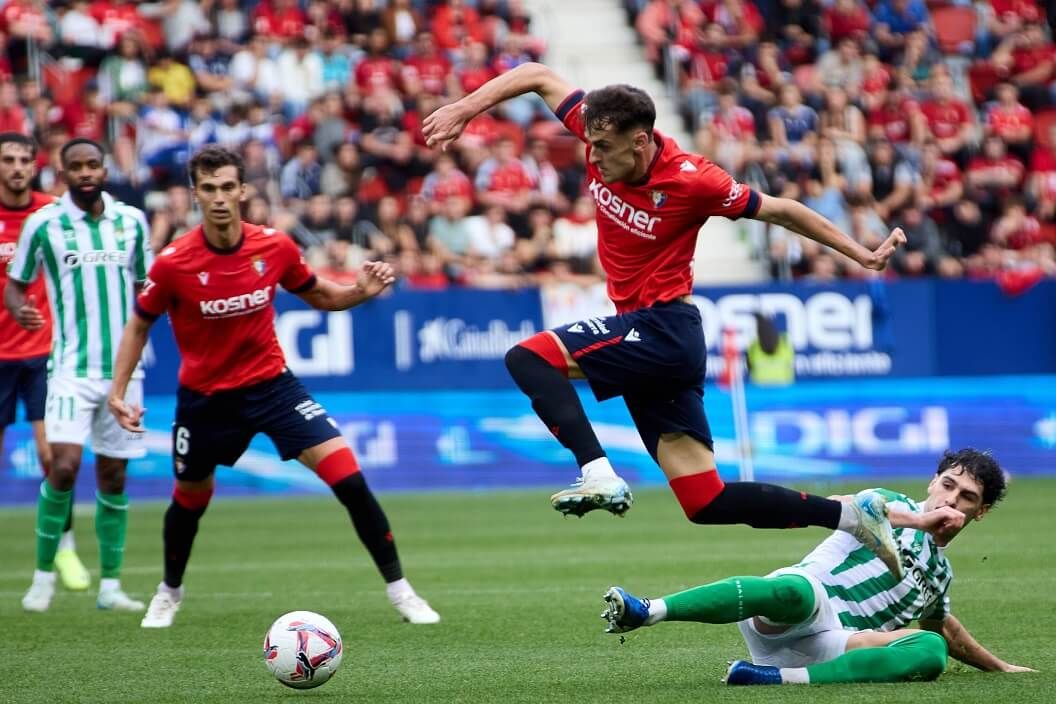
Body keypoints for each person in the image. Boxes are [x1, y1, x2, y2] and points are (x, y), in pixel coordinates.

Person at [422, 63, 911, 578]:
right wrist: (463, 109)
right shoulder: (599, 130)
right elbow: (539, 75)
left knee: (528, 357)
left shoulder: (693, 180)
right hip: (653, 339)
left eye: (604, 148)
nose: (593, 157)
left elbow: (781, 210)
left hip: (665, 329)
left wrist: (863, 255)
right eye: (590, 142)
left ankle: (597, 471)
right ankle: (851, 515)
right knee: (707, 501)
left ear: (639, 142)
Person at [106, 146, 439, 629]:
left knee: (350, 479)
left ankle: (401, 591)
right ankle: (169, 591)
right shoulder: (174, 263)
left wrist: (359, 292)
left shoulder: (275, 247)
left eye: (227, 187)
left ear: (242, 190)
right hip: (205, 401)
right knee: (190, 499)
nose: (219, 198)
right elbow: (138, 325)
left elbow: (320, 293)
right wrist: (119, 392)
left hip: (273, 388)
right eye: (209, 189)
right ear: (195, 193)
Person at [601, 449, 1037, 686]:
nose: (951, 500)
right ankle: (647, 610)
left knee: (929, 651)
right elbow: (847, 507)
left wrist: (999, 667)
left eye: (967, 497)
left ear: (979, 513)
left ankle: (775, 679)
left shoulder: (940, 576)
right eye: (948, 485)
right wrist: (923, 520)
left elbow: (944, 628)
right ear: (932, 482)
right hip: (798, 609)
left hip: (839, 645)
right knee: (796, 592)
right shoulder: (891, 503)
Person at [5, 137, 151, 613]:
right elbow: (15, 284)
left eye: (94, 164)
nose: (86, 172)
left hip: (124, 375)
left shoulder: (131, 222)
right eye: (77, 166)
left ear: (104, 169)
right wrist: (20, 310)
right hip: (68, 368)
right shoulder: (44, 224)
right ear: (63, 174)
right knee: (63, 466)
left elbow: (146, 291)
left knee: (114, 475)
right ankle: (44, 575)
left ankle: (111, 586)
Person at [0, 133, 90, 591]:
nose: (16, 167)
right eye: (8, 160)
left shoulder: (51, 214)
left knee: (52, 456)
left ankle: (66, 549)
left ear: (34, 166)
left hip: (43, 355)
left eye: (23, 160)